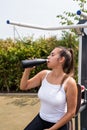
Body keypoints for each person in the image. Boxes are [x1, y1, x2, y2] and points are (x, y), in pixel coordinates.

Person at [20, 46, 77, 130]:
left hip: (59, 123)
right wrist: (27, 70)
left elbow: (71, 113)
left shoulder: (69, 83)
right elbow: (23, 86)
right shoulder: (43, 74)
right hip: (41, 119)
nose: (48, 57)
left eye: (52, 55)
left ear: (61, 59)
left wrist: (51, 129)